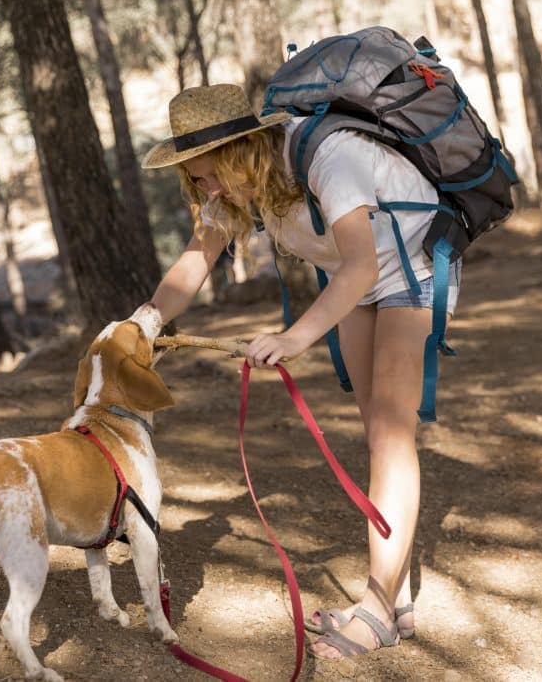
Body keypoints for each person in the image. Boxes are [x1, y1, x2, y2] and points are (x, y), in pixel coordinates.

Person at [141, 83, 461, 660]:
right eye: (191, 179)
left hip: (409, 265)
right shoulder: (237, 190)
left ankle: (378, 610)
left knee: (392, 436)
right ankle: (397, 599)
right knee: (378, 435)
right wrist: (143, 321)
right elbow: (194, 261)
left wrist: (294, 338)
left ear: (238, 153)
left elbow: (362, 264)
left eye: (203, 173)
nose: (200, 188)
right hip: (359, 280)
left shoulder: (331, 159)